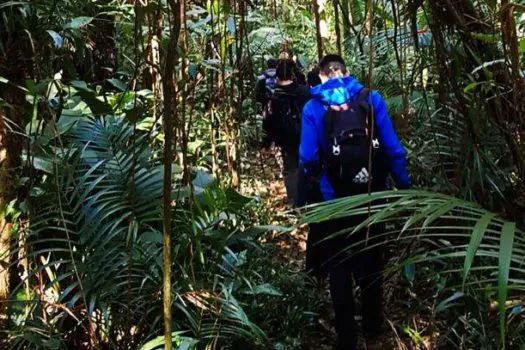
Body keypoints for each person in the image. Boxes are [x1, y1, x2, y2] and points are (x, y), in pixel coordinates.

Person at [299, 54, 410, 349]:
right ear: (347, 73)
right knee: (373, 259)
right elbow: (394, 149)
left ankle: (347, 336)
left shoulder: (313, 107)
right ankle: (373, 325)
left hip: (334, 202)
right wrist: (404, 187)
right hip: (373, 196)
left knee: (339, 267)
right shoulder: (371, 98)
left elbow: (308, 157)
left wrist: (318, 184)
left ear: (321, 75)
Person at [260, 59, 310, 207]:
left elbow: (268, 121)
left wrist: (266, 142)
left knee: (290, 170)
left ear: (277, 76)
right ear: (292, 74)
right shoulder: (304, 92)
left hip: (285, 139)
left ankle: (295, 203)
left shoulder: (274, 96)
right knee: (307, 166)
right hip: (305, 135)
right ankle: (308, 200)